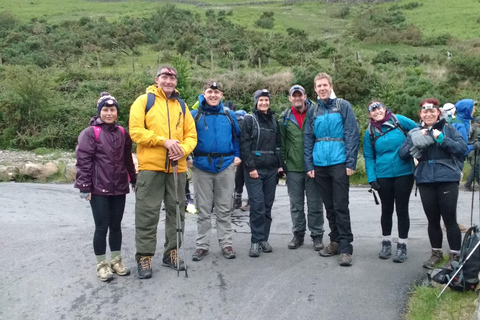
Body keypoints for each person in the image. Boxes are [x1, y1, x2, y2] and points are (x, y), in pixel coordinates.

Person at [129, 66, 197, 279]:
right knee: (147, 213)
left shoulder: (182, 106)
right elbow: (136, 131)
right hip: (151, 168)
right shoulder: (144, 101)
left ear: (176, 81)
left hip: (178, 167)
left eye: (172, 77)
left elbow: (191, 136)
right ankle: (144, 257)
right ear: (157, 79)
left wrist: (182, 150)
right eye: (165, 77)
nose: (168, 80)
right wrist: (164, 142)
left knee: (176, 212)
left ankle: (172, 253)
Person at [75, 92, 137, 282]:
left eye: (112, 110)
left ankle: (116, 261)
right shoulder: (90, 133)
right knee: (101, 227)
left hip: (119, 186)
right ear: (99, 111)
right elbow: (83, 160)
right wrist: (84, 185)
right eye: (105, 109)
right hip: (98, 188)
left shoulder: (123, 133)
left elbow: (127, 158)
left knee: (116, 226)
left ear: (117, 112)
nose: (109, 113)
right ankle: (102, 264)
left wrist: (133, 178)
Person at [399, 98, 467, 270]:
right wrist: (415, 142)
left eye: (432, 111)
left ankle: (455, 255)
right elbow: (402, 154)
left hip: (447, 179)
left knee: (450, 218)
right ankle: (436, 253)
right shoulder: (415, 132)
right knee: (432, 220)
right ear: (420, 114)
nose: (428, 114)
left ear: (438, 113)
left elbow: (461, 149)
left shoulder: (449, 129)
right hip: (425, 179)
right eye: (425, 112)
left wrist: (442, 140)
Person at [304, 73, 359, 267]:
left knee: (341, 205)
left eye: (325, 85)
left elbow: (352, 133)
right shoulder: (313, 110)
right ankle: (334, 241)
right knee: (329, 206)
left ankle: (345, 247)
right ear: (315, 89)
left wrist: (351, 162)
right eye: (319, 86)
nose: (322, 88)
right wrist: (309, 165)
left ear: (331, 86)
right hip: (320, 164)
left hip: (339, 161)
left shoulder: (343, 106)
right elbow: (308, 138)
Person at [190, 81, 241, 261]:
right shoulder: (194, 115)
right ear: (204, 94)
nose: (213, 95)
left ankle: (226, 244)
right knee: (202, 209)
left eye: (217, 92)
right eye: (210, 92)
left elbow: (237, 138)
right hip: (201, 167)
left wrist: (237, 155)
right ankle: (202, 245)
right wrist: (188, 157)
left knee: (224, 208)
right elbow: (187, 138)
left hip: (225, 165)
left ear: (222, 95)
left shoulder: (229, 115)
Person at [362, 100, 417, 263]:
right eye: (372, 110)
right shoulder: (370, 132)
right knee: (386, 209)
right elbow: (369, 156)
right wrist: (372, 178)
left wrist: (411, 147)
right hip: (383, 175)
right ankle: (386, 243)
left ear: (385, 109)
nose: (376, 111)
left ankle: (402, 245)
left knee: (402, 210)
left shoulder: (398, 120)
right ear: (369, 114)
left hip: (404, 172)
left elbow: (417, 130)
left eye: (378, 108)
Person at [280, 85, 325, 251]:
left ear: (305, 96)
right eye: (294, 96)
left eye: (300, 95)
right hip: (293, 168)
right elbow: (282, 144)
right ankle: (298, 234)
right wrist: (282, 165)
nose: (297, 98)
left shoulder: (316, 113)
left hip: (313, 166)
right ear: (290, 98)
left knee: (315, 204)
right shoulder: (284, 117)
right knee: (296, 205)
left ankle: (317, 235)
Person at [240, 89, 283, 257]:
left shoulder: (274, 120)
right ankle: (255, 241)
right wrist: (251, 168)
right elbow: (244, 145)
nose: (264, 103)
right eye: (261, 100)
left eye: (266, 100)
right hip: (254, 171)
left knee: (267, 206)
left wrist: (280, 165)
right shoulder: (249, 120)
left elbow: (278, 144)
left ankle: (264, 239)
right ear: (256, 102)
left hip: (271, 170)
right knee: (257, 206)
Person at [465, 116, 480, 191]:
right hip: (475, 150)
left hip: (471, 149)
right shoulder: (477, 129)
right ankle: (468, 184)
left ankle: (469, 184)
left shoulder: (471, 127)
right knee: (475, 168)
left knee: (475, 168)